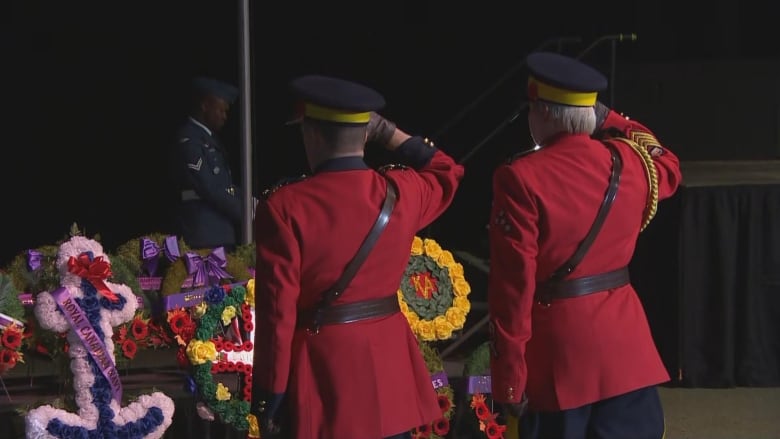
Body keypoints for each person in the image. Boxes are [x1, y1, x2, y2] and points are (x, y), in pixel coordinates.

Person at [251, 74, 465, 439]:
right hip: (389, 374)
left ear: (313, 134)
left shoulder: (285, 208)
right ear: (366, 135)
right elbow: (447, 169)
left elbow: (277, 314)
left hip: (324, 377)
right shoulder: (403, 191)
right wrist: (392, 135)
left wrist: (269, 398)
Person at [487, 51, 683, 439]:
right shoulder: (631, 162)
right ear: (589, 115)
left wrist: (509, 378)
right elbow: (670, 165)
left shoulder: (520, 178)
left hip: (560, 358)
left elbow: (513, 289)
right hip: (626, 349)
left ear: (540, 112)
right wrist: (611, 118)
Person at [170, 76, 247, 251]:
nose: (224, 116)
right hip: (201, 233)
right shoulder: (189, 139)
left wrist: (254, 203)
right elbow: (210, 188)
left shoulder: (210, 140)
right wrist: (247, 213)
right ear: (205, 105)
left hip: (219, 231)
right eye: (221, 110)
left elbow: (226, 186)